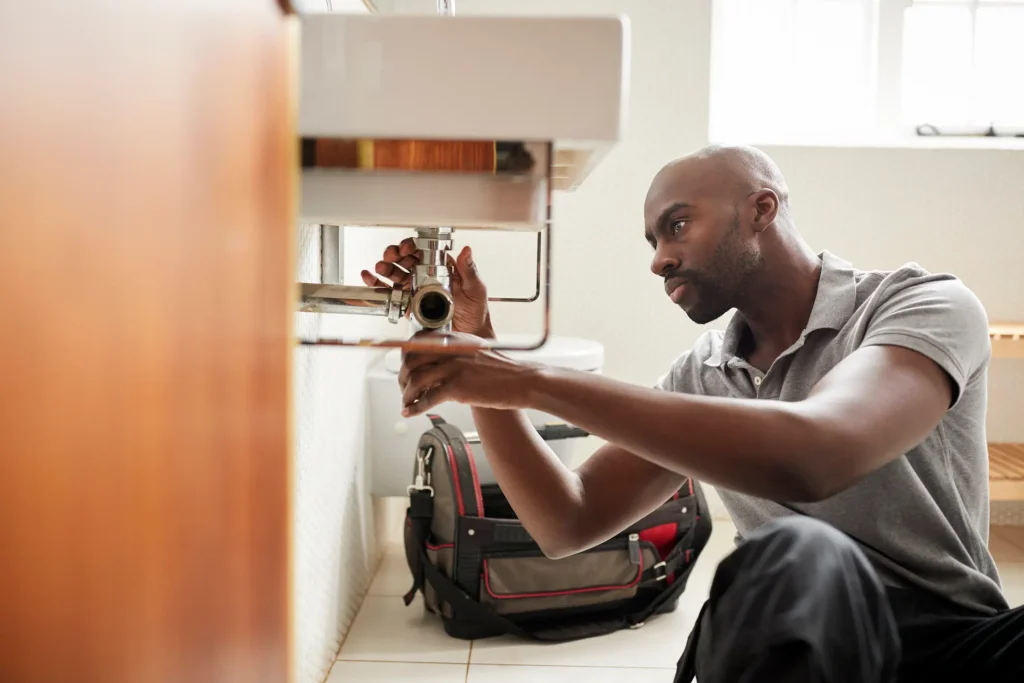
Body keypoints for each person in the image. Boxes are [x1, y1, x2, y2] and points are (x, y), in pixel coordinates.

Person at [361, 144, 1023, 682]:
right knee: (797, 554)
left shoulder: (920, 304)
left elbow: (818, 453)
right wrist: (486, 367)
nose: (659, 259)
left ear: (762, 209)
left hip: (956, 642)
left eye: (677, 225)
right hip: (803, 635)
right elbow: (568, 518)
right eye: (652, 239)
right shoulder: (703, 373)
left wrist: (528, 379)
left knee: (804, 548)